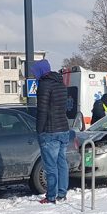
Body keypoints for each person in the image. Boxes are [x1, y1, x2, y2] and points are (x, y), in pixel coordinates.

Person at [33, 58, 70, 204]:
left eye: (35, 72)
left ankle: (51, 196)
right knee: (62, 163)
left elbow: (42, 110)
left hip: (50, 131)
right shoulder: (60, 83)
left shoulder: (44, 85)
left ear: (41, 71)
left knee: (50, 166)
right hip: (64, 130)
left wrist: (39, 130)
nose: (34, 75)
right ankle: (62, 193)